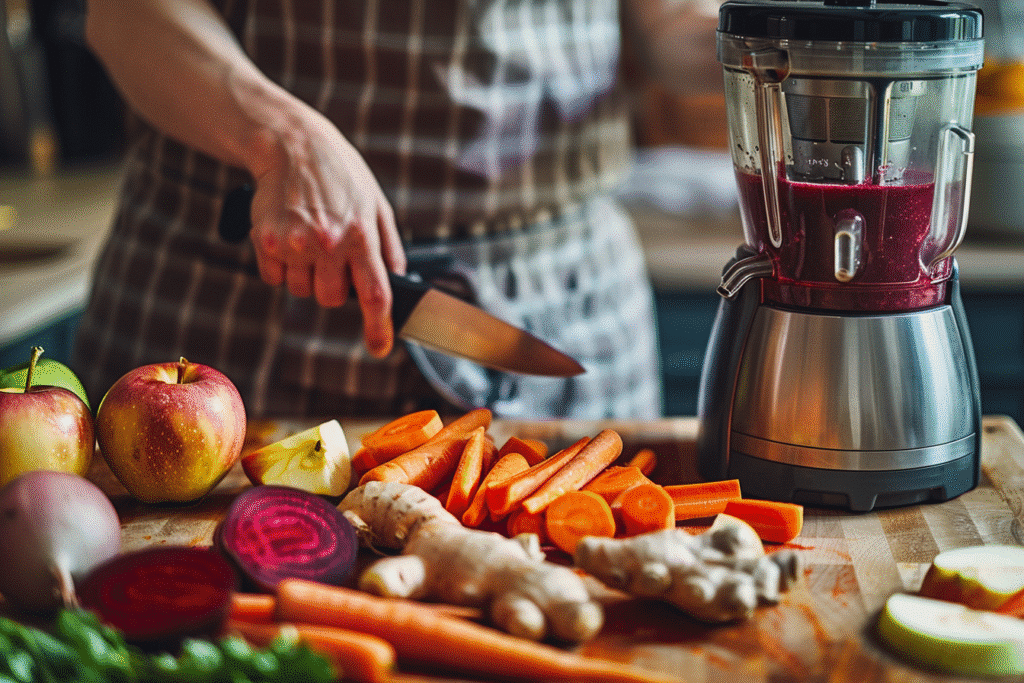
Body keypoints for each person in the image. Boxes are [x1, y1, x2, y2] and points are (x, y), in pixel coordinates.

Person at [73, 0, 720, 420]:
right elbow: (126, 14)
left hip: (568, 307)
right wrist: (281, 137)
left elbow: (667, 20)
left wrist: (765, 41)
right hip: (244, 307)